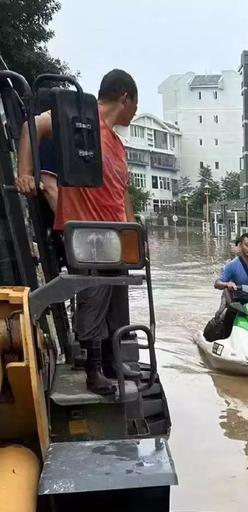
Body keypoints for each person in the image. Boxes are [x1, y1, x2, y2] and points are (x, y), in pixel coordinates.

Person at [16, 69, 139, 396]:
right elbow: (33, 126)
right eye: (135, 104)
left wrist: (134, 232)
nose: (136, 112)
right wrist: (25, 171)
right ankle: (94, 370)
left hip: (116, 236)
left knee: (116, 299)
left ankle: (113, 362)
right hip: (88, 234)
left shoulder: (116, 143)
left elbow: (123, 193)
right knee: (93, 297)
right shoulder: (78, 119)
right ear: (124, 97)